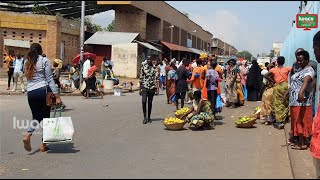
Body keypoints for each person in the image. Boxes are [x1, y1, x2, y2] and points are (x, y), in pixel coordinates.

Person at [22, 43, 62, 152]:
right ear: (40, 51)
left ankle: (27, 134)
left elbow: (27, 77)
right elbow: (49, 79)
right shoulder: (44, 60)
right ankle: (43, 145)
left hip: (30, 93)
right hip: (43, 91)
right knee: (46, 119)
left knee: (36, 116)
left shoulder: (26, 62)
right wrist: (57, 96)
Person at [289, 50, 314, 150]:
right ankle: (301, 140)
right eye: (297, 60)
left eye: (301, 60)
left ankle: (301, 143)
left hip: (301, 102)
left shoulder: (309, 70)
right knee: (297, 120)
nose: (299, 62)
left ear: (307, 60)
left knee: (300, 121)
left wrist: (301, 92)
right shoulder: (301, 70)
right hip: (295, 101)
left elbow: (306, 80)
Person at [265, 56, 292, 129]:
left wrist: (273, 81)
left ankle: (279, 121)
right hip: (285, 87)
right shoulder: (287, 69)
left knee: (277, 103)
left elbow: (266, 75)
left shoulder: (273, 69)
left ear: (277, 62)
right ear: (284, 62)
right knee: (285, 102)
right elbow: (294, 71)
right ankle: (285, 118)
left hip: (277, 87)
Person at [140, 56, 158, 124]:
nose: (149, 60)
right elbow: (141, 77)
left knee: (150, 102)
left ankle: (149, 117)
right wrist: (140, 88)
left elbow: (156, 78)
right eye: (148, 59)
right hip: (144, 86)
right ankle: (145, 117)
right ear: (146, 60)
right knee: (144, 101)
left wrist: (156, 87)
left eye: (150, 59)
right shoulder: (143, 66)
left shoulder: (154, 68)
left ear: (152, 60)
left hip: (152, 87)